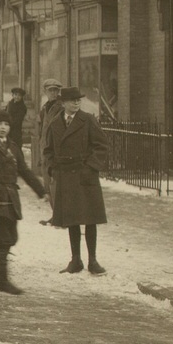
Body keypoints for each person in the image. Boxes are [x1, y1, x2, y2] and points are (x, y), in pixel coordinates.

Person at [0, 111, 47, 295]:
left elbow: (24, 170)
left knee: (11, 237)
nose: (3, 127)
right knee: (3, 238)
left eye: (6, 124)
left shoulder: (14, 147)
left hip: (10, 197)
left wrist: (41, 191)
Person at [42, 86, 109, 275]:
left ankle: (93, 261)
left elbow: (101, 146)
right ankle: (76, 260)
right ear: (63, 103)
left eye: (78, 99)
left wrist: (90, 168)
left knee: (90, 219)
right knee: (71, 219)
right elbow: (48, 150)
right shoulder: (55, 123)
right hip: (65, 175)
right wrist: (53, 168)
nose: (77, 102)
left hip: (84, 175)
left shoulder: (87, 120)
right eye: (72, 100)